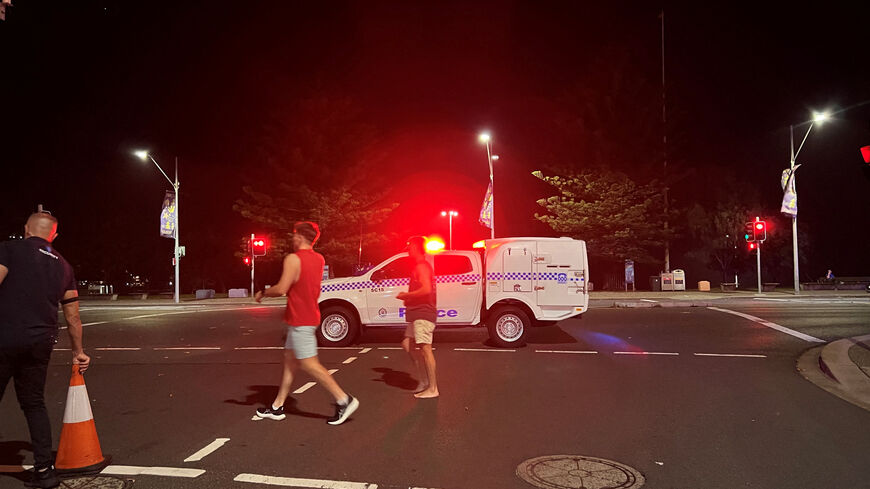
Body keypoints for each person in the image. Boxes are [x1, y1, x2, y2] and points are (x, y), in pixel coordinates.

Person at [0, 213, 90, 489]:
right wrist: (79, 352)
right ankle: (43, 470)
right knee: (34, 404)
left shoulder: (9, 249)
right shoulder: (64, 267)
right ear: (54, 235)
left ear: (26, 229)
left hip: (4, 337)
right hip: (40, 343)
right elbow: (73, 317)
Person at [254, 221, 359, 425]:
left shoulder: (293, 259)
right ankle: (277, 407)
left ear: (300, 237)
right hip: (307, 315)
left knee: (309, 363)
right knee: (290, 361)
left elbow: (283, 288)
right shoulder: (319, 259)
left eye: (294, 235)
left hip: (300, 318)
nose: (292, 239)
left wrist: (263, 293)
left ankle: (344, 400)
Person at [396, 236, 439, 399]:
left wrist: (407, 295)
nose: (407, 249)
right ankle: (423, 381)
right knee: (407, 344)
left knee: (425, 349)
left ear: (415, 247)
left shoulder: (422, 266)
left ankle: (433, 388)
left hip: (423, 313)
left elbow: (426, 289)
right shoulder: (421, 266)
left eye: (409, 246)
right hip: (416, 314)